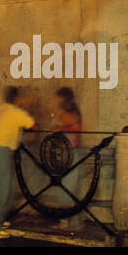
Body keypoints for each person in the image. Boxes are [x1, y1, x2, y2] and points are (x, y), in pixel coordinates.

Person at [0, 86, 37, 237]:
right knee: (1, 190)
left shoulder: (0, 108)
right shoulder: (16, 112)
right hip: (1, 152)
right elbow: (33, 125)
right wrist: (27, 108)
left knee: (7, 187)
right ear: (18, 99)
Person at [50, 86, 84, 228]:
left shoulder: (70, 113)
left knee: (67, 185)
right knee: (67, 185)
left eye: (58, 98)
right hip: (66, 151)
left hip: (69, 151)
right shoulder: (67, 112)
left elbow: (76, 128)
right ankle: (69, 219)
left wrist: (60, 128)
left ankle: (65, 220)